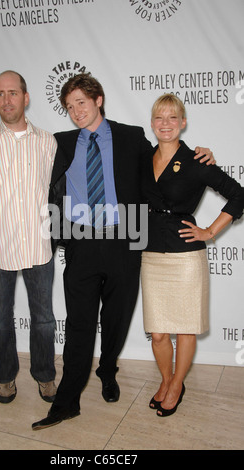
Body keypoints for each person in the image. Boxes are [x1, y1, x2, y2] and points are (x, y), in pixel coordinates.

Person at [30, 74, 215, 430]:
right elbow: (27, 159)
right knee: (79, 326)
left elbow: (164, 161)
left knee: (116, 320)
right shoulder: (61, 142)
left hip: (125, 240)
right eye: (69, 107)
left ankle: (107, 369)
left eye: (81, 103)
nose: (75, 112)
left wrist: (199, 155)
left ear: (98, 100)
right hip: (81, 242)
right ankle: (67, 402)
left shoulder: (131, 136)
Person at [140, 93, 244, 417]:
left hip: (186, 257)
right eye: (160, 118)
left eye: (173, 118)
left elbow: (238, 195)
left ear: (183, 123)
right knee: (158, 332)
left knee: (184, 327)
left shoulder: (198, 161)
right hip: (151, 254)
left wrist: (210, 232)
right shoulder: (142, 158)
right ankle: (168, 379)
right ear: (153, 123)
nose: (166, 124)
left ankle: (176, 385)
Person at [0, 70, 58, 404]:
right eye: (0, 94)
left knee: (44, 320)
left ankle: (45, 376)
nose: (7, 100)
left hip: (38, 248)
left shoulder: (48, 141)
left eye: (13, 93)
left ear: (26, 97)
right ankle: (5, 378)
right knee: (2, 322)